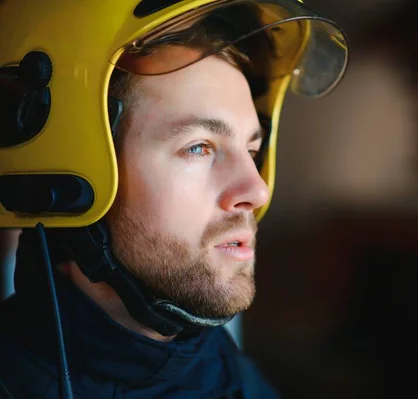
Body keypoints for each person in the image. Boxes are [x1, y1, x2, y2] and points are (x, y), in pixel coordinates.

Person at [0, 0, 349, 397]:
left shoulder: (236, 379)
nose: (256, 190)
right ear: (71, 171)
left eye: (252, 152)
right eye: (199, 147)